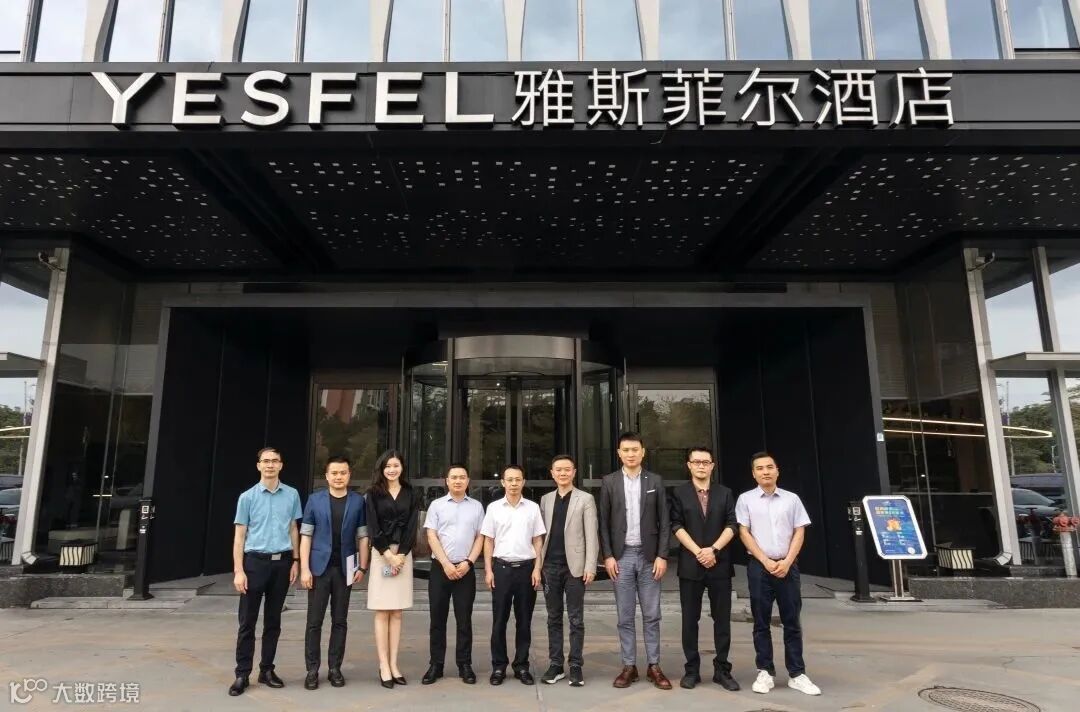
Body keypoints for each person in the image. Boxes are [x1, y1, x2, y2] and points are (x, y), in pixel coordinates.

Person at [736, 451, 821, 697]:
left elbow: (799, 531)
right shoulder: (745, 499)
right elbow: (744, 532)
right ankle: (765, 671)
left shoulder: (792, 499)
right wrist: (764, 560)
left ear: (777, 470)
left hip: (788, 566)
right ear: (753, 474)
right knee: (760, 622)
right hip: (759, 567)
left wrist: (787, 561)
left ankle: (797, 674)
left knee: (792, 621)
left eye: (769, 467)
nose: (765, 472)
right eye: (760, 468)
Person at [599, 432, 672, 690]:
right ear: (619, 453)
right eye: (626, 450)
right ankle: (629, 666)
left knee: (652, 614)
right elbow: (603, 523)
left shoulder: (655, 481)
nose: (631, 454)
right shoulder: (609, 482)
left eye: (635, 450)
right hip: (622, 557)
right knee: (625, 616)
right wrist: (608, 556)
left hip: (649, 557)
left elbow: (665, 522)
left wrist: (662, 555)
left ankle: (654, 665)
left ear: (643, 452)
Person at [229, 447, 302, 697]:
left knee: (273, 621)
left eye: (275, 461)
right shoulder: (247, 497)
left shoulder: (292, 494)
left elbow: (293, 529)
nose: (270, 465)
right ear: (258, 465)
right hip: (254, 564)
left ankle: (267, 670)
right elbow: (239, 537)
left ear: (281, 465)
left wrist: (296, 560)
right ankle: (242, 673)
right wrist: (239, 570)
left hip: (282, 564)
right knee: (247, 622)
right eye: (266, 461)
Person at [669, 446, 740, 691]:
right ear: (689, 465)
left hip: (719, 565)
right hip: (691, 565)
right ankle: (692, 670)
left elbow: (732, 524)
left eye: (705, 462)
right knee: (690, 620)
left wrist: (714, 550)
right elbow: (676, 525)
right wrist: (699, 551)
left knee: (722, 620)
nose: (701, 466)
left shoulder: (725, 493)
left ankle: (722, 670)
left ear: (712, 466)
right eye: (696, 462)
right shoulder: (679, 493)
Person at [299, 455, 370, 690]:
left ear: (349, 475)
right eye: (334, 473)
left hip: (345, 569)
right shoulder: (314, 500)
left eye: (343, 473)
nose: (339, 477)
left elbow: (362, 536)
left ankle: (334, 668)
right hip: (318, 569)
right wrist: (305, 568)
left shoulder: (358, 502)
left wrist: (362, 566)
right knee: (314, 622)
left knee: (340, 621)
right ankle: (312, 670)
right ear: (327, 476)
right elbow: (306, 535)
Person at [480, 464, 546, 686]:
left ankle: (521, 666)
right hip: (502, 569)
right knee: (499, 620)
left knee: (524, 621)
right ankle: (499, 666)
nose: (514, 484)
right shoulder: (493, 508)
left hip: (526, 569)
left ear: (523, 482)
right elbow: (488, 541)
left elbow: (538, 540)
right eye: (510, 480)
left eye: (518, 479)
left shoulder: (532, 508)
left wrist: (537, 568)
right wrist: (488, 570)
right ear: (503, 482)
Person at [422, 463, 485, 685]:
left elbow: (480, 537)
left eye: (462, 477)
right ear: (447, 481)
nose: (458, 481)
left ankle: (464, 664)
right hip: (440, 569)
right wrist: (446, 563)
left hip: (465, 569)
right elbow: (431, 536)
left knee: (464, 619)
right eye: (454, 477)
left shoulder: (476, 507)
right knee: (437, 619)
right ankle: (436, 665)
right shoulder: (437, 506)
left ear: (468, 481)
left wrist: (469, 562)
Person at [539, 454, 598, 688]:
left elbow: (591, 535)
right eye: (558, 470)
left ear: (574, 472)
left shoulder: (585, 499)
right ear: (552, 473)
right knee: (553, 617)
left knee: (576, 619)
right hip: (550, 567)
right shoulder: (545, 500)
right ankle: (555, 664)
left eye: (567, 469)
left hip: (575, 568)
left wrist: (590, 566)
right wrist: (538, 565)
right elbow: (540, 535)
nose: (563, 473)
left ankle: (575, 665)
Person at [366, 449, 421, 689]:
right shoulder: (373, 493)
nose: (392, 469)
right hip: (382, 555)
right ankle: (383, 665)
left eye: (396, 465)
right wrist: (387, 554)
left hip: (403, 556)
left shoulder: (410, 492)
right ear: (382, 468)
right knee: (382, 610)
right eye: (388, 466)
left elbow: (412, 525)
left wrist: (401, 554)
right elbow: (372, 525)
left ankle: (394, 663)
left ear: (402, 468)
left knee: (397, 611)